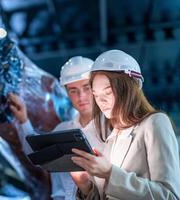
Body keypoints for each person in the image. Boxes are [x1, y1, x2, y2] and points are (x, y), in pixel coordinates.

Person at [71, 49, 180, 199]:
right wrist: (85, 186)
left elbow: (169, 196)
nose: (101, 102)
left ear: (128, 89)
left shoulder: (155, 123)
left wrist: (109, 172)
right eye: (96, 95)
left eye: (108, 93)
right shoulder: (113, 136)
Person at [8, 56, 104, 200]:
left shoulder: (113, 129)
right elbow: (38, 156)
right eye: (73, 90)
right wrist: (23, 120)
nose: (81, 96)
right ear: (66, 92)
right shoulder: (62, 129)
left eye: (87, 88)